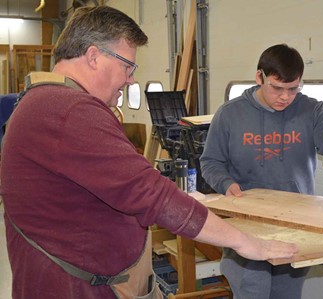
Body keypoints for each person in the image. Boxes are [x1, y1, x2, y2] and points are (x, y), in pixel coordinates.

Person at [0, 7, 298, 299]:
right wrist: (245, 243)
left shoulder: (45, 102)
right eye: (127, 66)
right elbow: (149, 193)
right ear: (93, 56)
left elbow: (118, 184)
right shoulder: (69, 110)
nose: (130, 79)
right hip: (77, 288)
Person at [200, 44, 323, 299]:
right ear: (259, 77)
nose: (285, 97)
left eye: (293, 89)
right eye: (277, 88)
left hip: (295, 228)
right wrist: (225, 183)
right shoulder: (230, 114)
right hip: (248, 226)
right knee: (253, 291)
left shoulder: (312, 112)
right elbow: (210, 162)